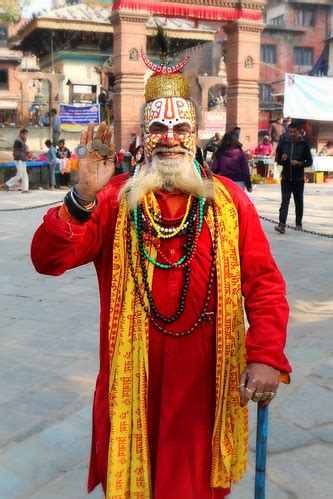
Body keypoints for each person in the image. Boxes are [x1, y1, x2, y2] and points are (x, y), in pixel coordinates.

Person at [31, 37, 291, 499]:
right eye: (157, 128)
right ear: (144, 137)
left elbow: (265, 284)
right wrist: (82, 197)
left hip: (204, 386)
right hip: (134, 385)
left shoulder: (231, 203)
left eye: (178, 127)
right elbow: (48, 261)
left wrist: (266, 353)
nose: (169, 138)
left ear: (195, 133)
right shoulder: (116, 200)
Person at [275, 122, 313, 234]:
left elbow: (309, 162)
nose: (292, 134)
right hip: (286, 178)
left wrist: (299, 163)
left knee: (299, 201)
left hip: (298, 179)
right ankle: (282, 224)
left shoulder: (304, 144)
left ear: (299, 131)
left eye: (294, 132)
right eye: (290, 132)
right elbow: (278, 160)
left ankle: (298, 223)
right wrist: (282, 158)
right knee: (284, 201)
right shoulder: (284, 144)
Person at [4, 128, 30, 193]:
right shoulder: (18, 141)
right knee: (20, 175)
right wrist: (19, 157)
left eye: (26, 135)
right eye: (25, 134)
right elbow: (16, 151)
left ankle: (25, 189)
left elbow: (23, 150)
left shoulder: (22, 140)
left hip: (22, 159)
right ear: (21, 134)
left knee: (25, 175)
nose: (26, 136)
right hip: (19, 160)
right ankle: (7, 184)